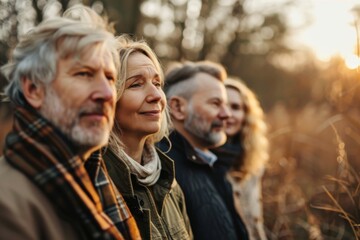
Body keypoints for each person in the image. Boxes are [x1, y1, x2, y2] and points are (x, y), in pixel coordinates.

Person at [0, 7, 140, 240]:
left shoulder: (98, 183)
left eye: (110, 78)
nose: (107, 93)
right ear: (34, 89)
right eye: (84, 74)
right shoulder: (8, 205)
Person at [103, 36, 193, 239]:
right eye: (136, 85)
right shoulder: (96, 184)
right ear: (107, 98)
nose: (157, 96)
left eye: (157, 83)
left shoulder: (169, 184)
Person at [157, 61, 249, 240]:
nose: (226, 114)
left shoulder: (211, 164)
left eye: (227, 105)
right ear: (177, 108)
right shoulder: (164, 170)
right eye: (216, 104)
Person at [212, 77, 269, 240]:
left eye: (235, 107)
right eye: (220, 105)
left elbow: (256, 223)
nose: (228, 113)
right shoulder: (201, 161)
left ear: (246, 115)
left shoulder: (253, 162)